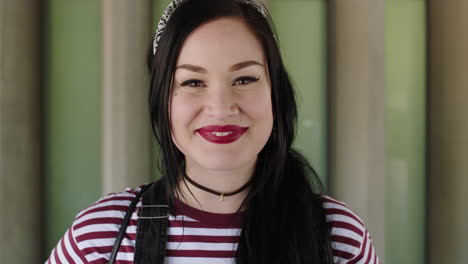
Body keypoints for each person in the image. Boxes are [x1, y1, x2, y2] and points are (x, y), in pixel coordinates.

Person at [46, 0, 380, 263]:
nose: (221, 107)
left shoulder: (337, 236)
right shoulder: (103, 236)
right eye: (193, 82)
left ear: (276, 93)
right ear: (162, 101)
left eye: (245, 79)